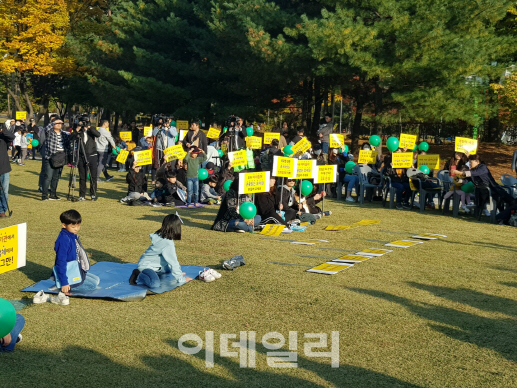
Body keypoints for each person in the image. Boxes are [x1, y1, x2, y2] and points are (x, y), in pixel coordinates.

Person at [129, 214, 193, 287]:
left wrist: (178, 273)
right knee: (154, 284)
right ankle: (138, 274)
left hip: (158, 267)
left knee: (168, 271)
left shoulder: (161, 235)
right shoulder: (168, 243)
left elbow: (167, 259)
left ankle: (154, 273)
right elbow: (173, 261)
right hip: (147, 266)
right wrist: (181, 279)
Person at [52, 210, 100, 305]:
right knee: (92, 285)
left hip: (75, 269)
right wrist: (65, 283)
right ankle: (61, 285)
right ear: (64, 225)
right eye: (73, 227)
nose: (76, 229)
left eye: (78, 225)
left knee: (96, 279)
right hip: (68, 273)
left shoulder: (71, 235)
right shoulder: (64, 240)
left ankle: (65, 282)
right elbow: (60, 262)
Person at [70, 119, 100, 201]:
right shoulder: (79, 132)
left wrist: (89, 127)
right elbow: (71, 137)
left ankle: (93, 194)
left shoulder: (91, 131)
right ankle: (82, 195)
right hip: (81, 156)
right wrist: (77, 128)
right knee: (82, 177)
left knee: (93, 176)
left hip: (92, 155)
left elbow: (98, 134)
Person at [42, 117, 70, 201]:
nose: (59, 125)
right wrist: (55, 122)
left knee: (56, 177)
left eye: (61, 124)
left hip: (61, 157)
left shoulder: (64, 134)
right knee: (48, 177)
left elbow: (67, 144)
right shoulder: (50, 132)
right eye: (57, 123)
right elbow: (46, 128)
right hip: (50, 157)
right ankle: (44, 195)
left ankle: (53, 194)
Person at [0, 125, 15, 217]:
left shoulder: (3, 137)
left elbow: (12, 137)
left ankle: (2, 211)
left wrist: (2, 130)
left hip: (4, 168)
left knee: (4, 191)